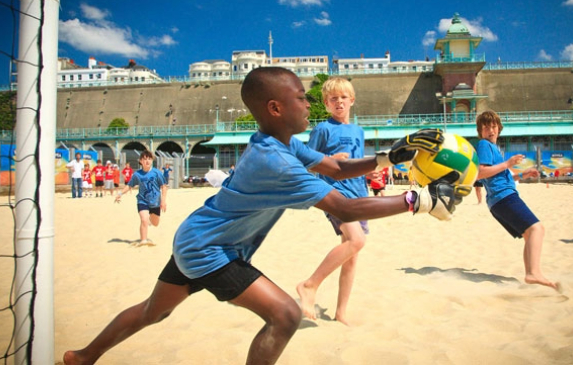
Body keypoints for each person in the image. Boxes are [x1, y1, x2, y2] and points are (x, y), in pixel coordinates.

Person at [63, 67, 460, 365]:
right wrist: (421, 201)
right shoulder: (275, 160)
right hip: (211, 251)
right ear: (275, 107)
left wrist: (390, 156)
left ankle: (83, 357)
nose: (310, 104)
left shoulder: (281, 142)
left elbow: (337, 170)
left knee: (155, 312)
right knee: (285, 315)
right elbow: (344, 206)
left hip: (196, 237)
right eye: (302, 98)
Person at [296, 77, 369, 325]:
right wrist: (330, 160)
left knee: (352, 255)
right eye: (333, 98)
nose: (339, 102)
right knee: (357, 241)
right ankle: (309, 284)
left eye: (343, 97)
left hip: (359, 193)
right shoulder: (322, 129)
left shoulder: (358, 131)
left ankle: (341, 312)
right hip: (335, 193)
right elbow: (306, 164)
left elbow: (357, 163)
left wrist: (370, 170)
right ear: (326, 103)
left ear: (352, 101)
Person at [475, 110, 559, 290]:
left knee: (529, 234)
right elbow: (481, 173)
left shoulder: (493, 148)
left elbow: (498, 177)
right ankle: (533, 273)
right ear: (480, 131)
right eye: (486, 127)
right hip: (504, 198)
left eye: (493, 126)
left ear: (499, 128)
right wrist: (508, 164)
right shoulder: (484, 145)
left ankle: (531, 273)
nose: (491, 130)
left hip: (500, 199)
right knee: (537, 229)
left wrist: (522, 175)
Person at [115, 151, 168, 247]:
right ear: (140, 161)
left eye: (149, 159)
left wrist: (163, 201)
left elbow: (164, 186)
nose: (147, 161)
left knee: (155, 223)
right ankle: (143, 240)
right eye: (144, 159)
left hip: (155, 202)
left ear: (152, 160)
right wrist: (120, 193)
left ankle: (149, 219)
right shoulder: (137, 174)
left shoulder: (157, 173)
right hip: (142, 200)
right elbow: (129, 185)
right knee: (144, 219)